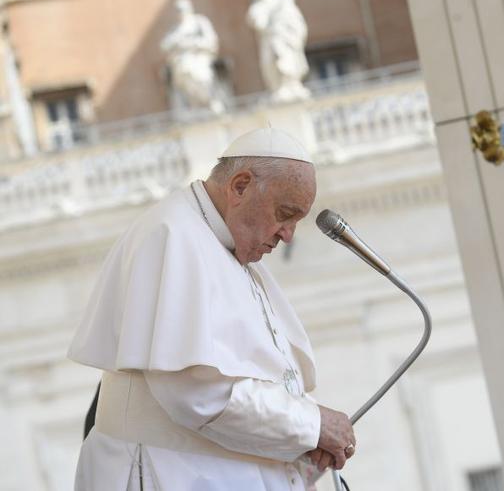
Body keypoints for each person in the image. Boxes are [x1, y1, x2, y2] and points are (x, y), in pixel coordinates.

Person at [68, 127, 356, 490]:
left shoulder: (229, 247)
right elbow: (197, 392)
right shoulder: (170, 235)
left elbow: (264, 374)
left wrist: (308, 436)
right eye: (285, 214)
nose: (288, 235)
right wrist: (310, 425)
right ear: (240, 186)